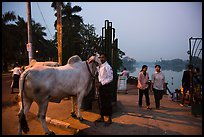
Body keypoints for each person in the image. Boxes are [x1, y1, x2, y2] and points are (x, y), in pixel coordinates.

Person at [95, 53, 113, 126]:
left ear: (105, 58)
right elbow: (100, 75)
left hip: (106, 86)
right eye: (100, 57)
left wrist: (102, 83)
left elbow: (110, 78)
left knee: (107, 102)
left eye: (102, 57)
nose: (101, 59)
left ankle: (109, 118)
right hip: (101, 86)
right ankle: (102, 117)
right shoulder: (101, 66)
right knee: (100, 102)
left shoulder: (107, 66)